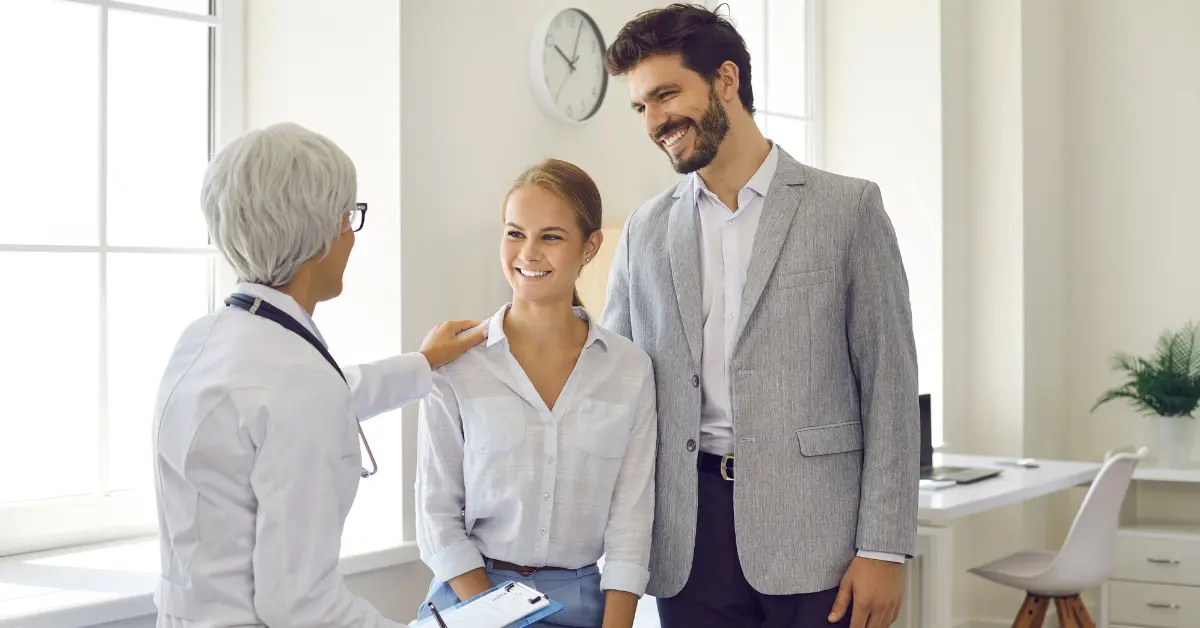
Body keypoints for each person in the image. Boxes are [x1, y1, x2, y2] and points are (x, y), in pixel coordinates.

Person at [602, 5, 919, 628]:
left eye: (666, 94)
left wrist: (883, 547)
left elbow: (890, 384)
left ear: (726, 80)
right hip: (688, 538)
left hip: (818, 532)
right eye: (640, 107)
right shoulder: (645, 229)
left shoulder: (847, 209)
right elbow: (613, 378)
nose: (655, 121)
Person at [150, 122, 485, 628]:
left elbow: (299, 398)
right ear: (318, 233)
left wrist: (423, 363)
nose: (351, 235)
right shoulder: (296, 382)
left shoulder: (206, 339)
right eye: (348, 217)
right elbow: (300, 605)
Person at [414, 159, 657, 628]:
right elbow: (436, 513)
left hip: (583, 605)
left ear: (590, 246)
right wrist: (496, 616)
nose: (527, 252)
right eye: (513, 233)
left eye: (550, 236)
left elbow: (632, 521)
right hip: (470, 599)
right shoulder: (456, 363)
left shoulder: (630, 370)